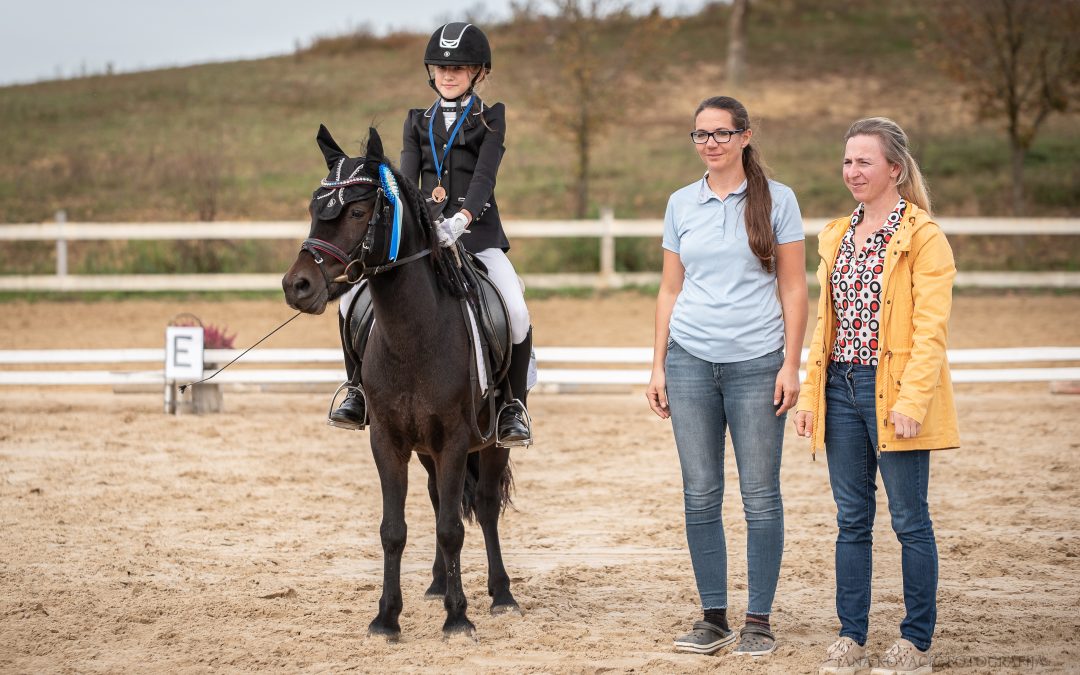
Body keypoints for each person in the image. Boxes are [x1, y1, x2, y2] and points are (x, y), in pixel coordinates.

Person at [794, 117, 959, 675]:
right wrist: (811, 397)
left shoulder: (923, 238)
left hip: (893, 393)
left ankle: (915, 642)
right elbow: (827, 323)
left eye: (864, 161)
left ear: (895, 168)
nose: (853, 171)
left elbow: (930, 331)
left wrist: (912, 402)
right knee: (851, 520)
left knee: (910, 519)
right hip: (839, 387)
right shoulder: (837, 233)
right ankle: (852, 635)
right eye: (847, 161)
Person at [646, 96, 808, 657]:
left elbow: (793, 288)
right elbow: (670, 288)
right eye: (700, 135)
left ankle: (758, 620)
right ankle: (713, 617)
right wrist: (658, 364)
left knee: (761, 496)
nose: (710, 143)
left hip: (758, 363)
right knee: (700, 494)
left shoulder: (778, 201)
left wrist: (792, 364)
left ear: (744, 136)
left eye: (721, 133)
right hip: (690, 361)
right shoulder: (680, 203)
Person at [330, 22, 533, 446]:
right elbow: (405, 180)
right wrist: (411, 223)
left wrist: (460, 219)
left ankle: (513, 405)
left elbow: (484, 177)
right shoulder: (416, 121)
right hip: (424, 240)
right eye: (440, 66)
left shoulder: (490, 117)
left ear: (478, 71)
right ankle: (356, 391)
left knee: (514, 307)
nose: (448, 74)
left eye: (458, 67)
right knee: (351, 299)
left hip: (476, 236)